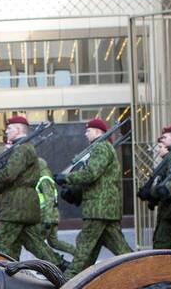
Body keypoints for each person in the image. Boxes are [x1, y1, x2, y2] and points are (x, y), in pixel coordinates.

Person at [0, 116, 65, 266]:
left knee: (0, 246)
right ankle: (61, 266)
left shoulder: (22, 149)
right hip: (21, 206)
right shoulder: (25, 148)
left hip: (16, 207)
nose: (6, 131)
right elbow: (17, 179)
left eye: (9, 128)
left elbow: (9, 175)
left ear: (18, 129)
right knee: (34, 244)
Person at [56, 118, 133, 279]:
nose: (85, 134)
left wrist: (67, 178)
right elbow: (97, 178)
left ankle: (69, 279)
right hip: (104, 208)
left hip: (99, 207)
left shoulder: (100, 147)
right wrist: (73, 191)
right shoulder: (103, 148)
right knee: (118, 248)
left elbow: (92, 174)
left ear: (98, 132)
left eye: (88, 130)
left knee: (84, 243)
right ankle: (142, 275)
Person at [35, 157, 75, 268]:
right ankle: (77, 254)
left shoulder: (44, 179)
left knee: (38, 242)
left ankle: (50, 264)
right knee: (53, 242)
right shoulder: (45, 178)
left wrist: (47, 218)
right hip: (52, 215)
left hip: (47, 216)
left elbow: (49, 200)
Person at [150, 126, 171, 250]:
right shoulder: (170, 157)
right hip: (168, 210)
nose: (161, 141)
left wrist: (165, 190)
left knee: (167, 245)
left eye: (164, 137)